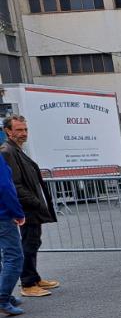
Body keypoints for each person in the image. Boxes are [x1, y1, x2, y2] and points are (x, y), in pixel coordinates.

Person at [0, 115, 59, 298]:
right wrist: (35, 202)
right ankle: (28, 283)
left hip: (30, 206)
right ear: (8, 131)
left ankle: (34, 277)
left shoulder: (17, 149)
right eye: (18, 130)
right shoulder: (7, 151)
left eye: (25, 129)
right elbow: (14, 185)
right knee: (28, 244)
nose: (23, 133)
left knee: (33, 242)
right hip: (25, 207)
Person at [0, 153, 25, 316]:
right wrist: (18, 212)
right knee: (14, 257)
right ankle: (2, 298)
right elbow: (4, 186)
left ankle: (4, 294)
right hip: (2, 215)